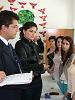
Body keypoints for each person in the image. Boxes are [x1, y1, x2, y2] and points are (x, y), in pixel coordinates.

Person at [15, 21, 48, 100]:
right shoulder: (20, 44)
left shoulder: (32, 43)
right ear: (24, 31)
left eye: (35, 32)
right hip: (28, 80)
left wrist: (39, 40)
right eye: (31, 31)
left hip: (37, 78)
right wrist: (41, 66)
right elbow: (24, 65)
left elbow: (41, 50)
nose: (33, 34)